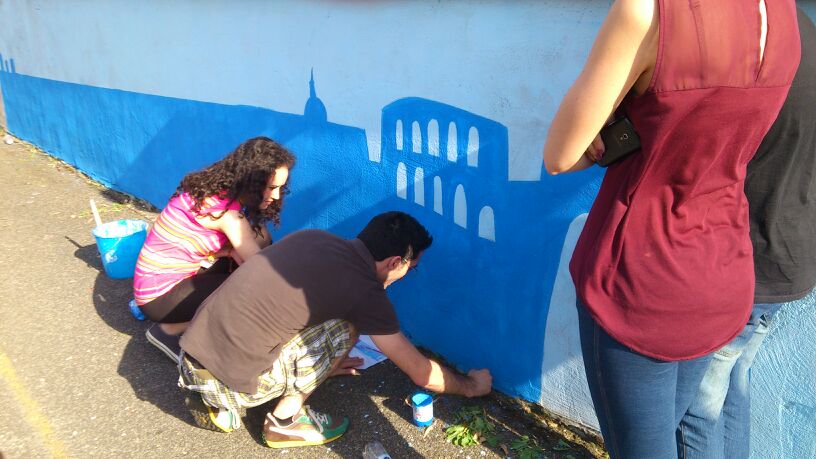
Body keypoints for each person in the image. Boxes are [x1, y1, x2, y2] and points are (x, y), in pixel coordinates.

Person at [541, 0, 800, 457]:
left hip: (640, 280)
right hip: (722, 266)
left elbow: (561, 156)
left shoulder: (645, 12)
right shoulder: (781, 12)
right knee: (681, 426)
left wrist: (617, 121)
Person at [177, 211, 492, 447]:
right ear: (395, 262)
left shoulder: (313, 237)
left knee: (319, 319)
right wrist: (471, 386)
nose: (408, 275)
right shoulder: (366, 293)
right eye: (412, 268)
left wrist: (322, 365)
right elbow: (421, 373)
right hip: (224, 384)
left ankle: (218, 401)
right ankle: (284, 422)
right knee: (347, 327)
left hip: (191, 356)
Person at [678, 9, 816, 458]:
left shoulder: (749, 43)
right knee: (731, 384)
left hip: (747, 261)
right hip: (787, 257)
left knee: (698, 408)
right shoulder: (801, 28)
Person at [133, 136, 295, 360]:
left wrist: (225, 252)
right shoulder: (229, 217)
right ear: (252, 183)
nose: (276, 196)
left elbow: (181, 239)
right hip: (158, 298)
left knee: (260, 238)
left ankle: (184, 318)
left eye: (281, 188)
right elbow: (262, 271)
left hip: (153, 281)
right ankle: (169, 331)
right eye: (271, 188)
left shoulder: (208, 191)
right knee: (249, 290)